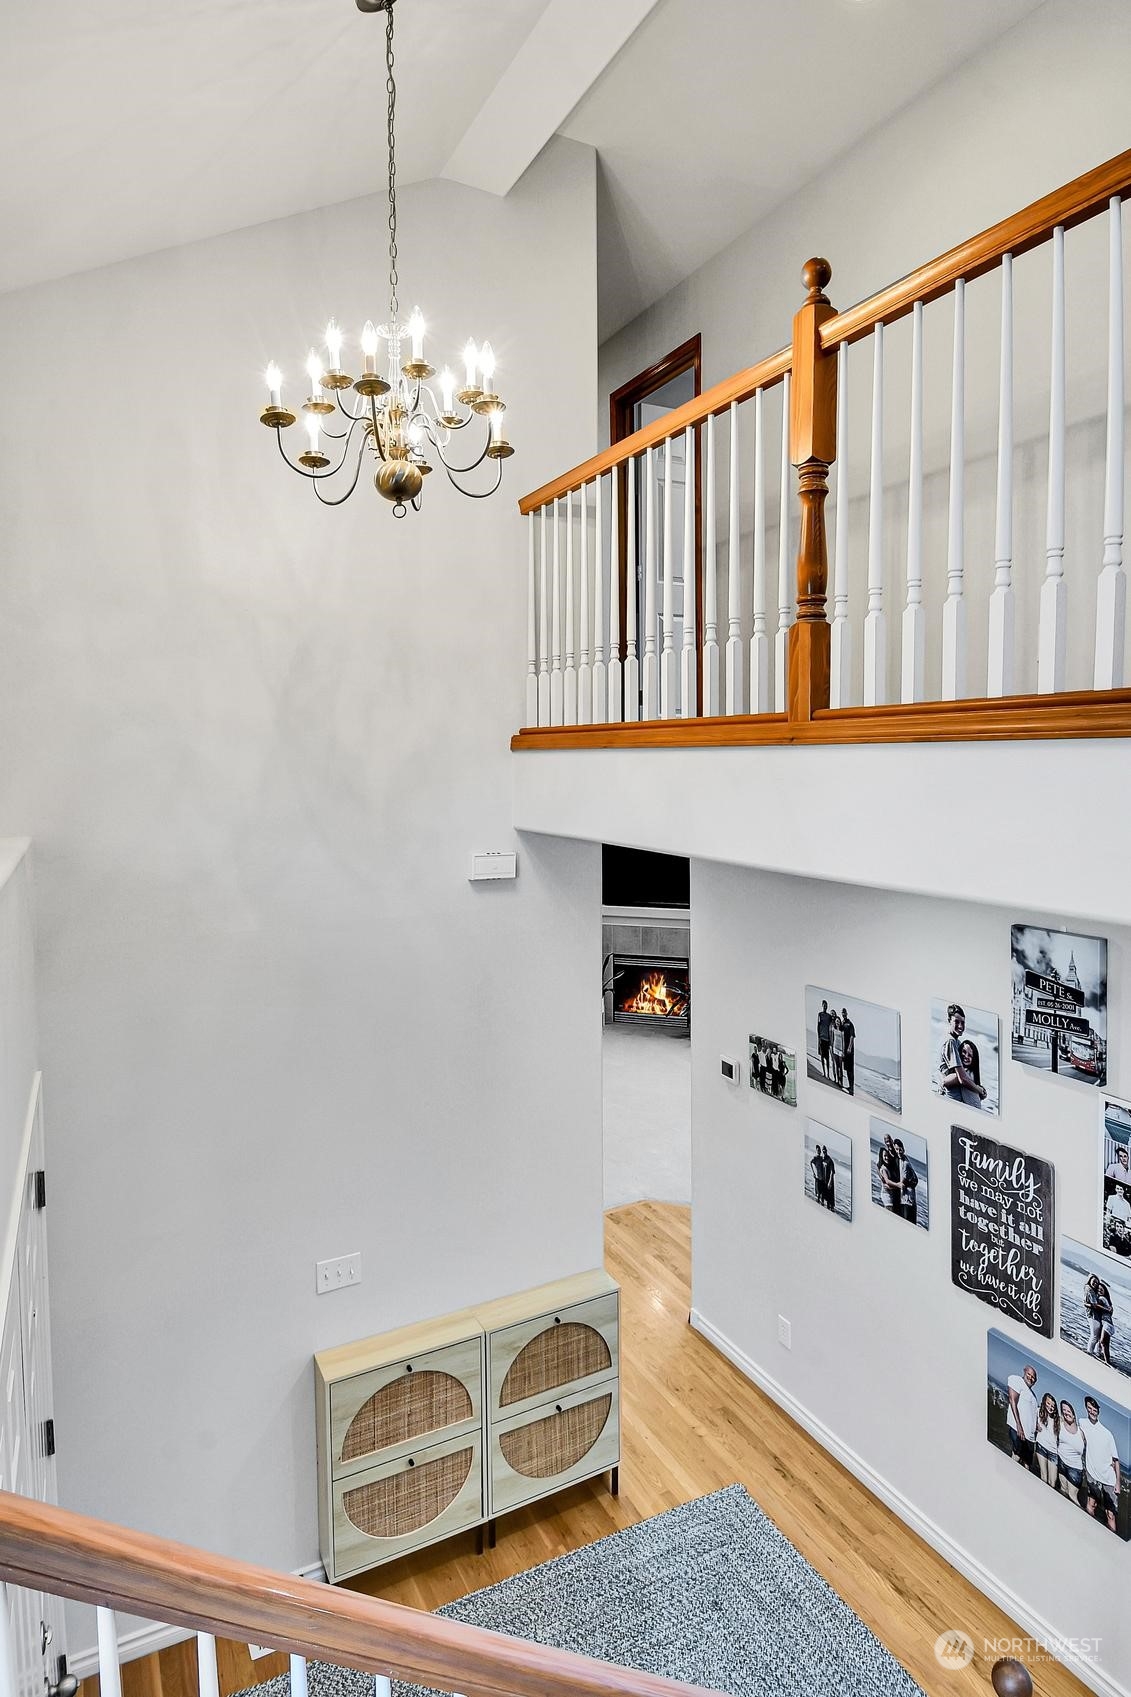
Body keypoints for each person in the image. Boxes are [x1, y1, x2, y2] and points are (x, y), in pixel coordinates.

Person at [1082, 1396, 1122, 1533]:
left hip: (1109, 1480)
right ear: (1086, 1409)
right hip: (1092, 1475)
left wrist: (1117, 1483)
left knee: (1110, 1514)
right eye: (1089, 1408)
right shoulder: (1082, 1423)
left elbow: (1116, 1461)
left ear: (1098, 1411)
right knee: (1090, 1505)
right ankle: (1090, 1532)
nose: (1092, 1411)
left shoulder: (1107, 1434)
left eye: (1094, 1409)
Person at [937, 1003, 988, 1107]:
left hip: (959, 1098)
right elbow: (962, 1078)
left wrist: (979, 1088)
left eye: (963, 1023)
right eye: (956, 1022)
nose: (960, 1026)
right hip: (952, 1098)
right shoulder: (950, 1042)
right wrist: (979, 1090)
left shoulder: (958, 1042)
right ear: (949, 1021)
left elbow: (966, 1072)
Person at [1005, 1363, 1038, 1470]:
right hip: (1019, 1431)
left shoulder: (1033, 1395)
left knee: (1027, 1465)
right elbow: (1012, 1400)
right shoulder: (1016, 1380)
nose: (1031, 1378)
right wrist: (1019, 1426)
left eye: (1033, 1377)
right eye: (1029, 1374)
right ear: (1024, 1371)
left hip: (1030, 1437)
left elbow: (1031, 1413)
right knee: (1016, 1457)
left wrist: (1036, 1425)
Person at [1057, 1401, 1086, 1506]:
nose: (1066, 1413)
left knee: (1072, 1496)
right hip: (1061, 1463)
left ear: (1073, 1414)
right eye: (1064, 1410)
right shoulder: (1060, 1425)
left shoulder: (1081, 1432)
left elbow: (1090, 1451)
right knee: (1063, 1490)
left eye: (1068, 1411)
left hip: (1075, 1468)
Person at [1084, 1273, 1115, 1366]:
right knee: (1101, 1341)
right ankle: (1099, 1355)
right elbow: (1096, 1306)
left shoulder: (1101, 1298)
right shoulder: (1092, 1292)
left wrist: (1086, 1304)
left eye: (1101, 1289)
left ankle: (1092, 1353)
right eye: (1098, 1289)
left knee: (1100, 1340)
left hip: (1107, 1324)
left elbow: (1096, 1305)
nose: (1099, 1290)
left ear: (1105, 1291)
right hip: (1106, 1323)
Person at [1034, 1394, 1060, 1488]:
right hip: (1041, 1447)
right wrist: (1035, 1425)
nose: (1050, 1407)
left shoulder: (1058, 1420)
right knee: (1043, 1477)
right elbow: (1029, 1419)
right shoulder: (1038, 1412)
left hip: (1054, 1452)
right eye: (1048, 1403)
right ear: (1044, 1402)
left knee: (1052, 1482)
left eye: (1053, 1405)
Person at [894, 1138, 918, 1225]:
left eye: (900, 1149)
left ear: (903, 1149)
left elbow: (902, 1183)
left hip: (907, 1199)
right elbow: (915, 1179)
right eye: (896, 1149)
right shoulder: (905, 1159)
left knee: (906, 1223)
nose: (898, 1151)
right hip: (910, 1198)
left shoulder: (905, 1163)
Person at [876, 1133, 900, 1211]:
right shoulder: (886, 1152)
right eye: (886, 1141)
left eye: (889, 1140)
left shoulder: (896, 1152)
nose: (888, 1143)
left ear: (892, 1140)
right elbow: (878, 1166)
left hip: (896, 1187)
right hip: (891, 1185)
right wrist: (883, 1180)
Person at [1105, 1184, 1131, 1255]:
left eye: (1121, 1189)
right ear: (1116, 1189)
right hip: (1114, 1224)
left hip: (1124, 1226)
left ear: (1123, 1191)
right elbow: (1108, 1212)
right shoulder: (1111, 1198)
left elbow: (1129, 1219)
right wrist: (1107, 1223)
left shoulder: (1127, 1204)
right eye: (1118, 1188)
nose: (1119, 1190)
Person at [840, 1008, 856, 1096]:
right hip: (843, 1049)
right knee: (845, 1067)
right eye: (842, 1013)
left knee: (850, 1069)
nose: (843, 1014)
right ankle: (849, 1087)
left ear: (847, 1013)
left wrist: (849, 1048)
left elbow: (852, 1036)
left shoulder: (850, 1024)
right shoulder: (842, 1023)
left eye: (844, 1013)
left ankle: (852, 1088)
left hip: (849, 1050)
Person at [816, 1000, 832, 1079]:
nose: (825, 1007)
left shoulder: (829, 1016)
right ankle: (824, 1072)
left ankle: (828, 1074)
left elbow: (831, 1026)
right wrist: (818, 1037)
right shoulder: (820, 1014)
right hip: (821, 1038)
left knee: (827, 1058)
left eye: (826, 1005)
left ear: (827, 1006)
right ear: (822, 1006)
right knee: (822, 1056)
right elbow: (818, 1026)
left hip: (827, 1039)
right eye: (824, 1005)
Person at [830, 1014, 845, 1088]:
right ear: (835, 1022)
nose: (837, 1023)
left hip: (840, 1050)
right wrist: (832, 1048)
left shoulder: (842, 1031)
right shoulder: (834, 1029)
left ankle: (841, 1081)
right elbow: (832, 1039)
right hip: (835, 1049)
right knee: (837, 1065)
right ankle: (837, 1080)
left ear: (840, 1022)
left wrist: (843, 1051)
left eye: (838, 1021)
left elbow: (843, 1042)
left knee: (840, 1067)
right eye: (836, 1021)